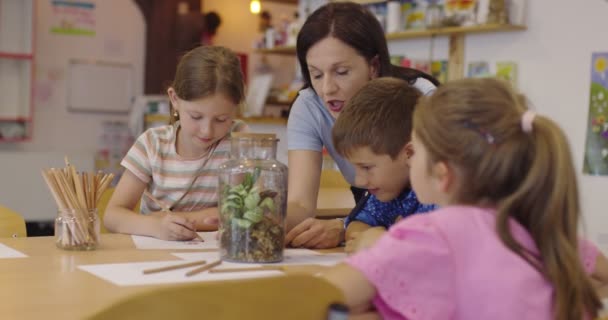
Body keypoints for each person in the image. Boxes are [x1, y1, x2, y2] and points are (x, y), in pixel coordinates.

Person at [321, 78, 607, 319]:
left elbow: (322, 296)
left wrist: (375, 249)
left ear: (442, 173)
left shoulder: (432, 234)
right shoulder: (542, 231)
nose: (411, 161)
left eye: (416, 151)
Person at [285, 2, 439, 249]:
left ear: (373, 67)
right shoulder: (309, 105)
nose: (327, 89)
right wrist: (267, 222)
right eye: (316, 74)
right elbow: (300, 204)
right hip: (375, 205)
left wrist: (345, 227)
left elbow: (450, 205)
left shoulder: (420, 99)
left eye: (342, 72)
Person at [105, 46, 246, 241]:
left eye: (221, 119)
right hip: (154, 257)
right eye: (196, 116)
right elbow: (112, 216)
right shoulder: (152, 144)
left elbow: (236, 214)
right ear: (174, 99)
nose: (207, 130)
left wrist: (180, 218)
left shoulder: (239, 142)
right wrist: (155, 226)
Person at [331, 78, 437, 254]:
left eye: (366, 168)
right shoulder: (390, 190)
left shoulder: (440, 194)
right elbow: (356, 224)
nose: (359, 180)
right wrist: (371, 235)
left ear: (410, 153)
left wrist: (388, 241)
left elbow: (439, 251)